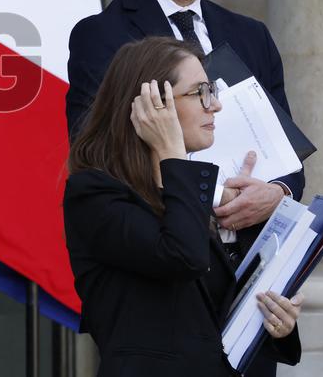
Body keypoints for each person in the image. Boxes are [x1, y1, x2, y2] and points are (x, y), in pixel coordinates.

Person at [65, 0, 305, 376]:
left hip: (248, 303)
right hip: (160, 303)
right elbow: (100, 158)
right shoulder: (103, 36)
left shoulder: (250, 36)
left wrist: (276, 194)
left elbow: (289, 163)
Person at [64, 36, 302, 376]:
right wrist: (171, 152)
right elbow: (183, 256)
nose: (215, 105)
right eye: (200, 93)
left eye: (213, 91)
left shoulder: (188, 190)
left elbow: (216, 310)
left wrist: (279, 323)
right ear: (152, 105)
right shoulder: (95, 193)